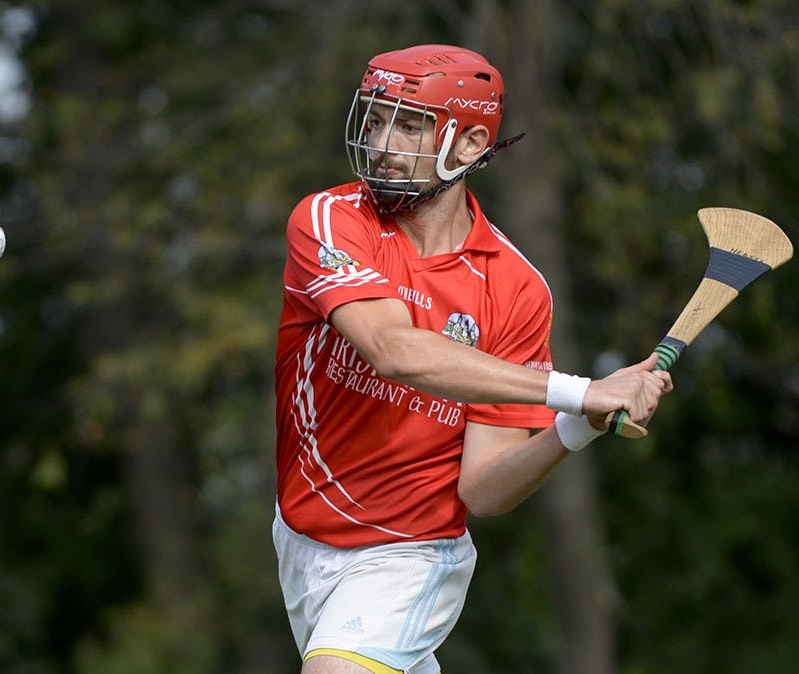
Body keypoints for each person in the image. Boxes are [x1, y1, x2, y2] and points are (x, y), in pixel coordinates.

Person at [272, 44, 673, 674]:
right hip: (302, 534)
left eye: (408, 124)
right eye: (375, 120)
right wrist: (579, 395)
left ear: (468, 146)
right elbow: (393, 350)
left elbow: (481, 490)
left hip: (413, 554)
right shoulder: (329, 219)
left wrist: (576, 429)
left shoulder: (516, 288)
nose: (381, 143)